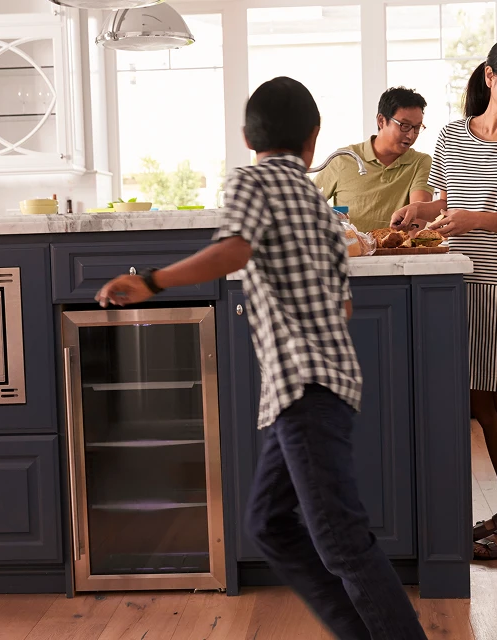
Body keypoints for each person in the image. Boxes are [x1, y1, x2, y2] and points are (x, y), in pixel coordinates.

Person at [95, 76, 427, 640]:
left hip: (301, 386)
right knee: (268, 524)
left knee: (339, 537)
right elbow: (342, 306)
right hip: (317, 388)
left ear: (248, 136)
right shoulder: (321, 208)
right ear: (313, 140)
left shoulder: (251, 182)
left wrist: (151, 281)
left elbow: (234, 250)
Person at [390, 32, 497, 561]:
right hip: (460, 285)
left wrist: (472, 219)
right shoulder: (450, 136)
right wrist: (421, 213)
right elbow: (447, 204)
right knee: (482, 407)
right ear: (490, 76)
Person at [315, 87, 434, 232]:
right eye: (405, 125)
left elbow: (419, 213)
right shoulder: (343, 159)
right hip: (352, 252)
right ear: (381, 121)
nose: (411, 135)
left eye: (416, 127)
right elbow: (308, 205)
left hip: (398, 252)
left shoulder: (420, 162)